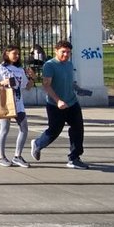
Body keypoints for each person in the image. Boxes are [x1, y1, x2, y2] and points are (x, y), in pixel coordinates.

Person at [31, 39, 89, 169]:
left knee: (78, 129)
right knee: (54, 131)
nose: (66, 55)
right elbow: (46, 85)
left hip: (72, 102)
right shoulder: (50, 65)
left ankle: (74, 158)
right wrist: (58, 101)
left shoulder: (69, 64)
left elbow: (69, 81)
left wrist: (78, 88)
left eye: (68, 52)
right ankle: (38, 144)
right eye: (63, 52)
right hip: (55, 104)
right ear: (56, 51)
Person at [0, 45, 33, 167]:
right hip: (6, 102)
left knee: (24, 128)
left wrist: (31, 77)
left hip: (18, 103)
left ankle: (17, 156)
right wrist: (3, 83)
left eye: (18, 54)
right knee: (4, 129)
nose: (17, 56)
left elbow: (28, 87)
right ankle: (1, 157)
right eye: (14, 53)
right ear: (7, 53)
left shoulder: (20, 69)